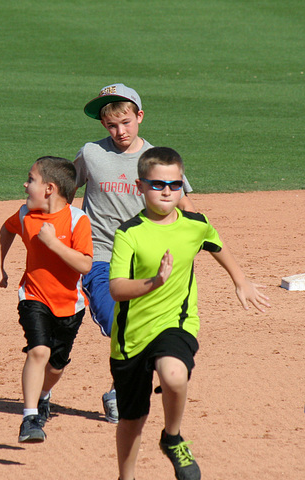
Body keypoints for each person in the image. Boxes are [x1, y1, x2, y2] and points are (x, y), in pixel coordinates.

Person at [108, 147, 269, 480]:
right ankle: (127, 476)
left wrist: (241, 281)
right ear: (140, 186)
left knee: (174, 376)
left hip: (177, 323)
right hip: (131, 336)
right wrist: (154, 282)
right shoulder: (129, 233)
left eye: (175, 184)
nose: (167, 191)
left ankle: (172, 437)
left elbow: (216, 244)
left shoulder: (195, 224)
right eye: (157, 184)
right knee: (131, 419)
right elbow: (117, 288)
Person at [75, 83, 195, 423]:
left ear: (139, 116)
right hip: (100, 255)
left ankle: (119, 391)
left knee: (154, 329)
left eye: (126, 122)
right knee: (118, 322)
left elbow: (183, 203)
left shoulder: (157, 159)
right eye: (111, 125)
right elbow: (65, 188)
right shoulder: (91, 154)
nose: (119, 131)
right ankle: (125, 388)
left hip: (146, 256)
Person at [0, 156, 93, 443]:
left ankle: (44, 394)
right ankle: (30, 417)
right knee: (38, 351)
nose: (25, 184)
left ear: (49, 188)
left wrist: (53, 243)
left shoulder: (77, 220)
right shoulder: (25, 214)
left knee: (56, 365)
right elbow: (6, 229)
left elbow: (84, 265)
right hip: (33, 296)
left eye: (31, 179)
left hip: (71, 304)